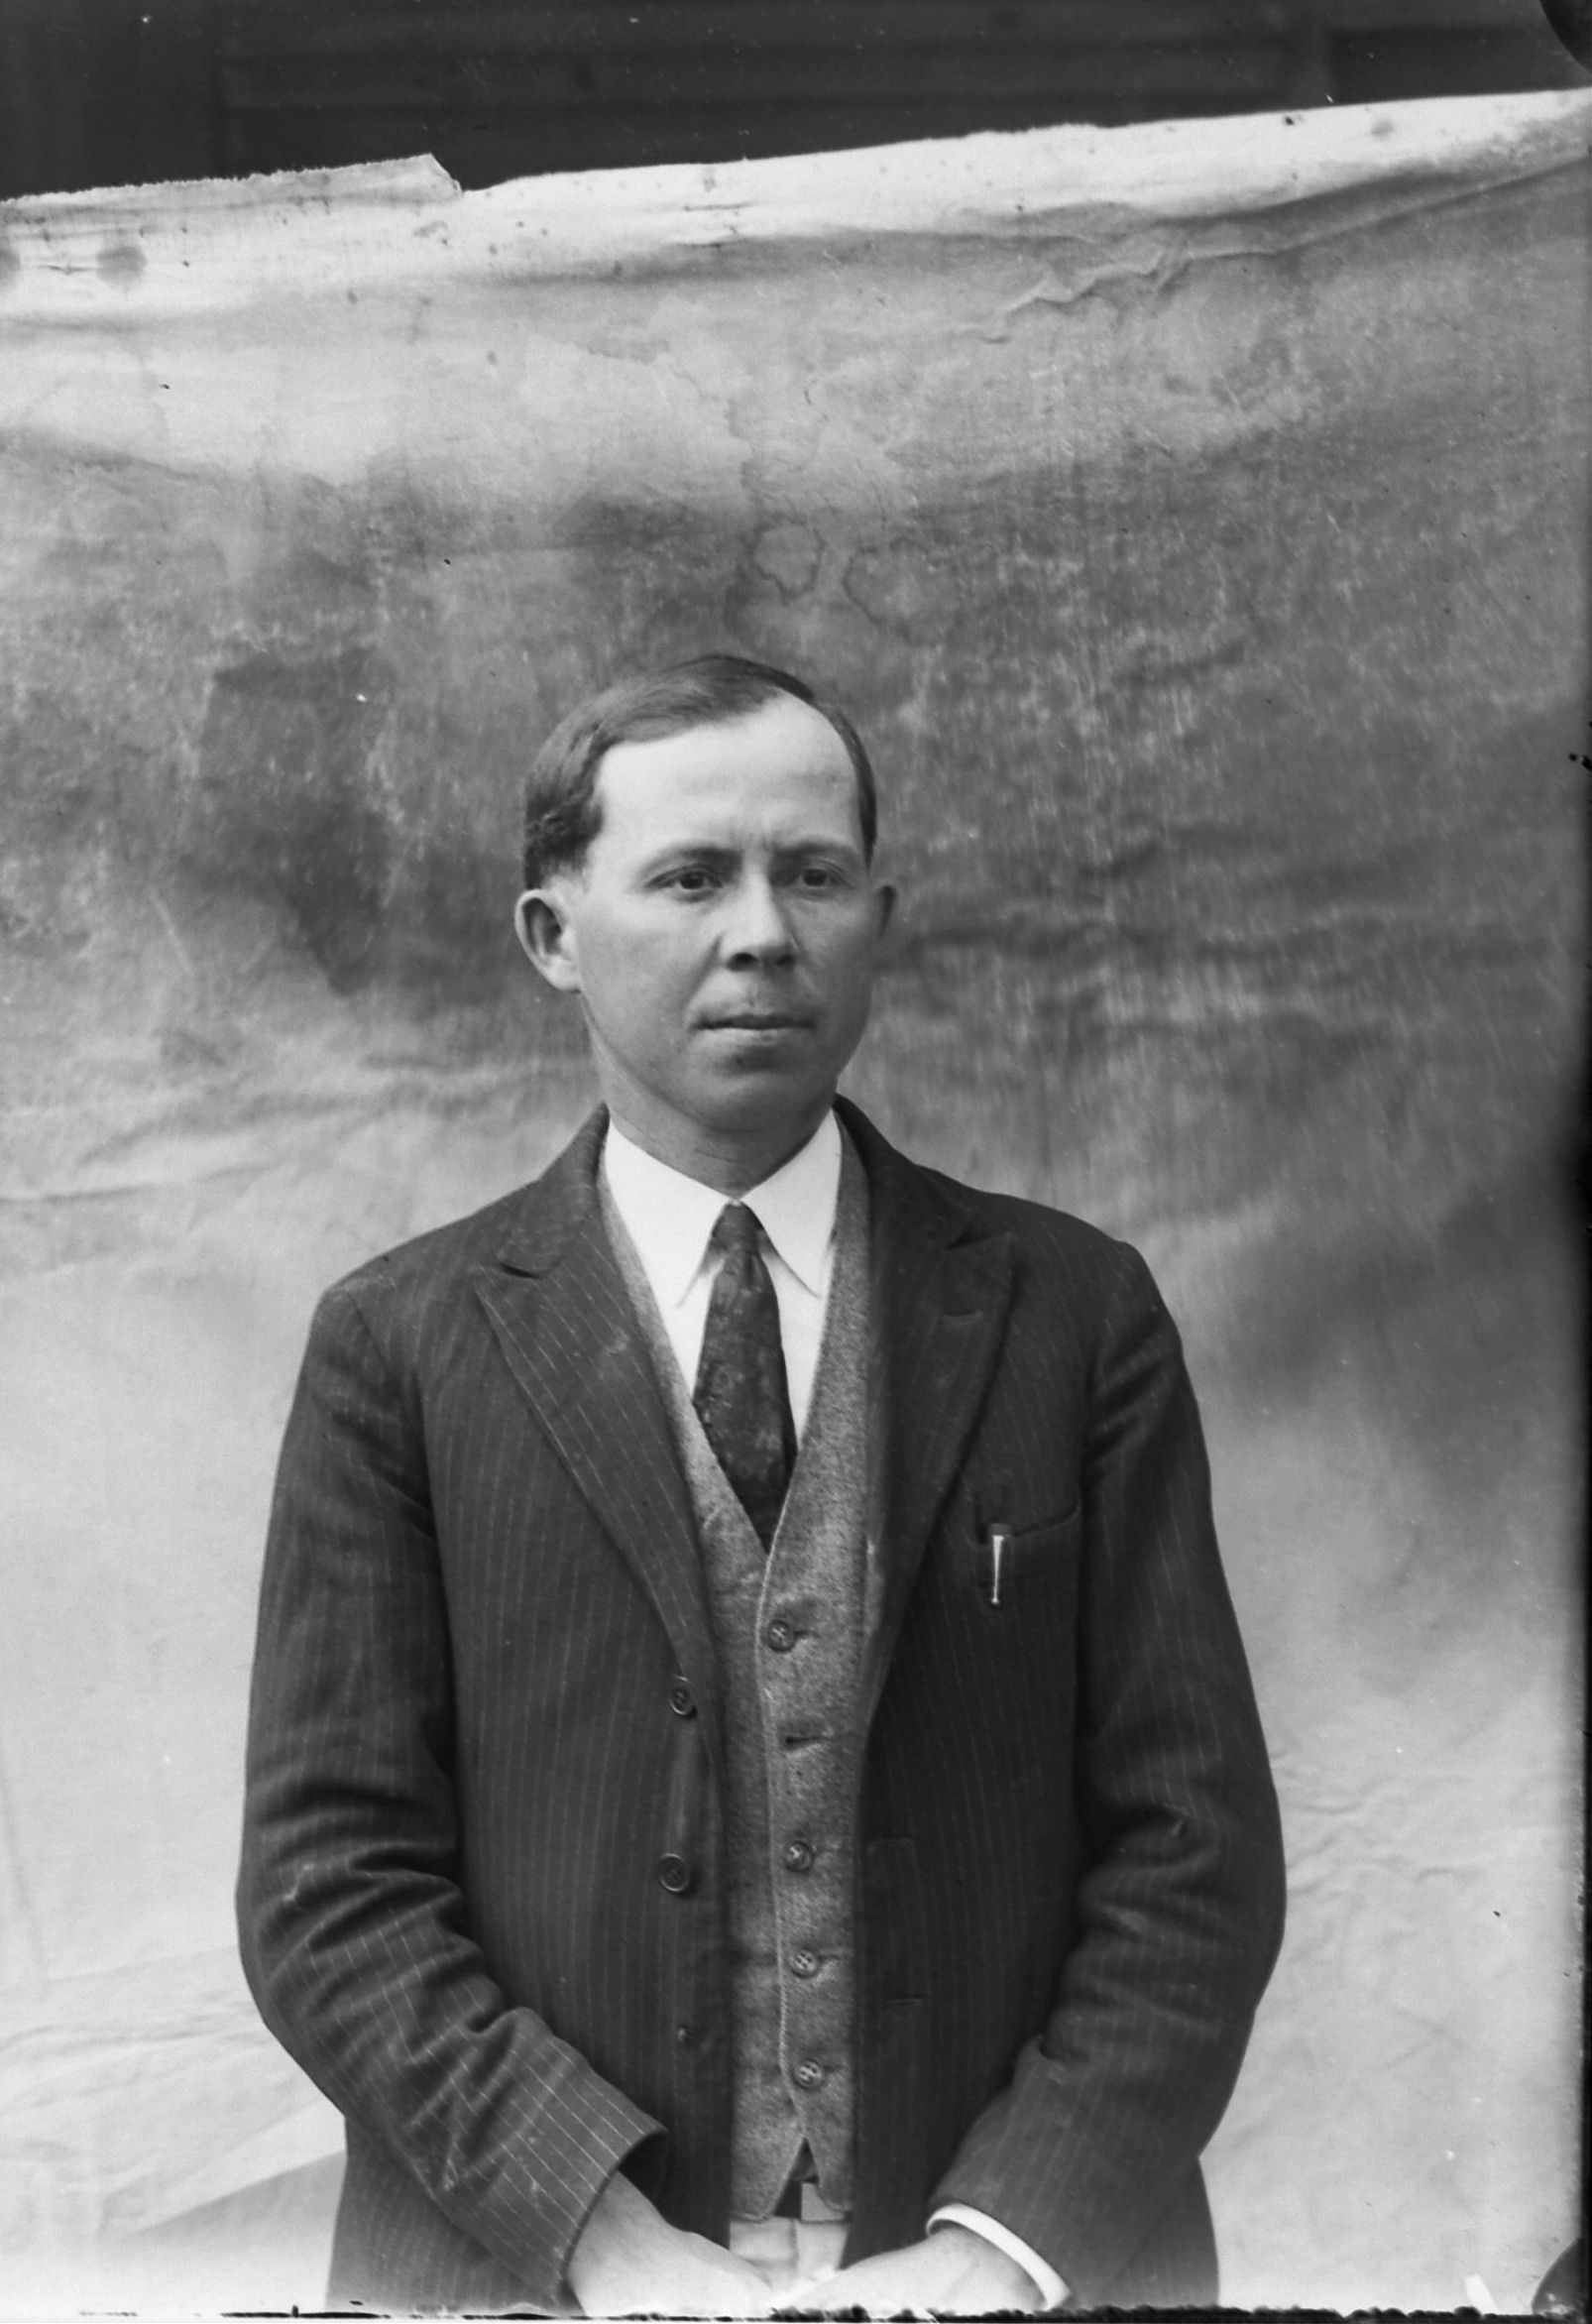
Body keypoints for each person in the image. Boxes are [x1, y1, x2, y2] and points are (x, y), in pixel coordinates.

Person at [238, 653, 1286, 2316]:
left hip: (1004, 2278)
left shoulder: (1074, 1317)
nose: (761, 934)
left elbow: (1193, 1852)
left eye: (810, 875)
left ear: (879, 917)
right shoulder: (399, 1345)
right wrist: (602, 2241)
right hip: (533, 2280)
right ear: (552, 935)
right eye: (688, 878)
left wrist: (995, 2253)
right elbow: (331, 1892)